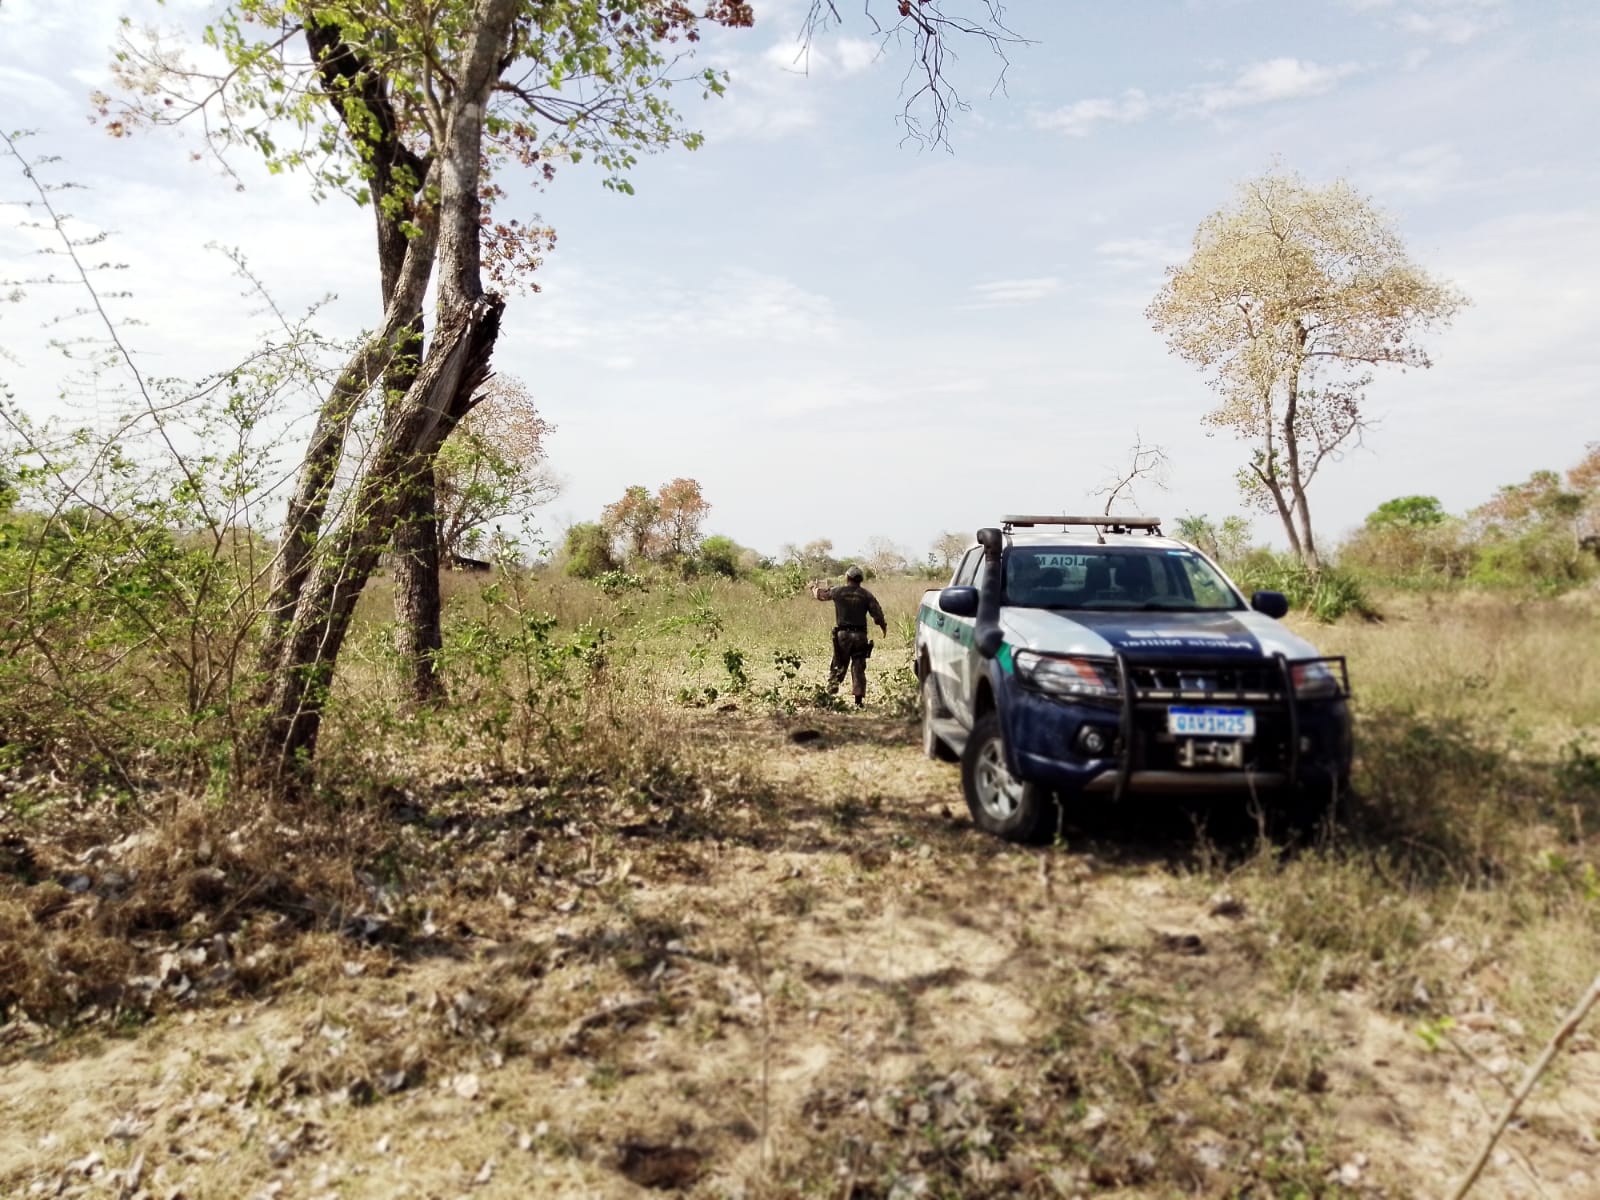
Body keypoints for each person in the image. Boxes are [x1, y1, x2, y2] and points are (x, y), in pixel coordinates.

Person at [810, 565, 888, 707]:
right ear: (861, 579)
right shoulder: (866, 595)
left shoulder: (838, 591)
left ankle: (829, 697)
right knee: (858, 667)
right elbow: (877, 613)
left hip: (843, 636)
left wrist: (813, 588)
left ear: (847, 578)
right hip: (860, 636)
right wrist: (883, 626)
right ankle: (858, 701)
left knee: (838, 665)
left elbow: (821, 595)